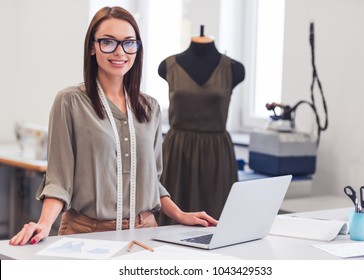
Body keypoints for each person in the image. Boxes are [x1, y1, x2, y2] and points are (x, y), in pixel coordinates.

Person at [9, 6, 216, 246]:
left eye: (129, 43)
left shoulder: (150, 107)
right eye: (108, 42)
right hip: (87, 233)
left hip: (145, 231)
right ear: (91, 47)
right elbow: (59, 181)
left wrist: (180, 214)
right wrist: (44, 224)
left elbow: (152, 182)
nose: (120, 52)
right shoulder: (70, 101)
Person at [157, 29, 245, 225]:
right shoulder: (168, 66)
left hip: (215, 153)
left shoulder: (233, 69)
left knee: (218, 215)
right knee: (173, 214)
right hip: (178, 151)